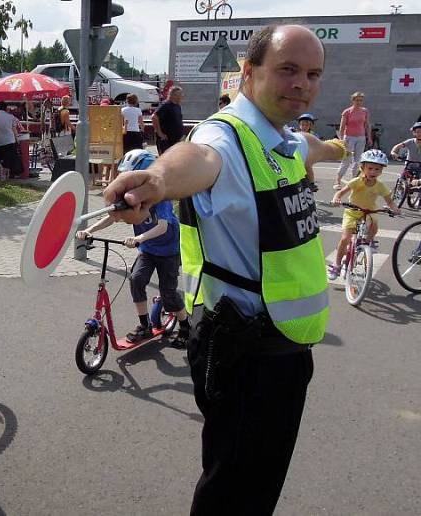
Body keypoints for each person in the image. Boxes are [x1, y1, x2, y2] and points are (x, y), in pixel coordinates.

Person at [103, 25, 349, 515]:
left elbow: (310, 146)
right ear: (248, 72)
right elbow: (197, 158)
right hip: (248, 355)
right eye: (287, 70)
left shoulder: (279, 138)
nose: (302, 83)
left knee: (253, 488)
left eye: (313, 74)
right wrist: (155, 179)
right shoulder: (227, 136)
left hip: (280, 350)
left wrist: (336, 148)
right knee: (234, 496)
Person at [77, 149, 191, 347]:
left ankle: (185, 327)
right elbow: (112, 217)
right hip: (148, 250)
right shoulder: (129, 198)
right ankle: (144, 325)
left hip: (168, 251)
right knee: (136, 280)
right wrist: (89, 230)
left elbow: (162, 226)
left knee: (169, 294)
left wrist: (138, 238)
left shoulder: (160, 197)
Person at [328, 150, 399, 279]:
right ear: (362, 168)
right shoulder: (356, 181)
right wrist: (336, 199)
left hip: (369, 211)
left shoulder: (380, 186)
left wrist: (395, 209)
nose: (373, 172)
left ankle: (368, 242)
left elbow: (389, 201)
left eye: (377, 169)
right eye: (370, 168)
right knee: (345, 239)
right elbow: (340, 193)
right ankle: (337, 265)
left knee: (374, 224)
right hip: (353, 211)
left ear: (381, 171)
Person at [335, 91, 371, 189]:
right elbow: (342, 127)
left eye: (361, 100)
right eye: (357, 100)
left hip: (361, 137)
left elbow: (367, 125)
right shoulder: (347, 112)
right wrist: (341, 140)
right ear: (353, 100)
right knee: (347, 159)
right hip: (349, 138)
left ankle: (354, 180)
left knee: (358, 160)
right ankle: (338, 181)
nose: (359, 102)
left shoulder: (365, 111)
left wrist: (369, 137)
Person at [0, 101, 21, 179]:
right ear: (5, 108)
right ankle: (4, 176)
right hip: (9, 141)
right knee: (7, 159)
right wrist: (17, 139)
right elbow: (14, 129)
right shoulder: (11, 117)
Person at [152, 86, 184, 156]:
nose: (182, 96)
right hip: (166, 140)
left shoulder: (177, 106)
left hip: (175, 140)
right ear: (174, 95)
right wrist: (160, 133)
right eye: (180, 94)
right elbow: (154, 117)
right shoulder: (166, 105)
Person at [296, 113, 320, 189]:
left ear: (310, 126)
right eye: (302, 125)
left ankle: (312, 183)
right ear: (299, 125)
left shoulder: (313, 135)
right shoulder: (296, 133)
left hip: (308, 155)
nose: (304, 127)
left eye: (306, 125)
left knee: (308, 167)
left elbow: (317, 144)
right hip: (298, 155)